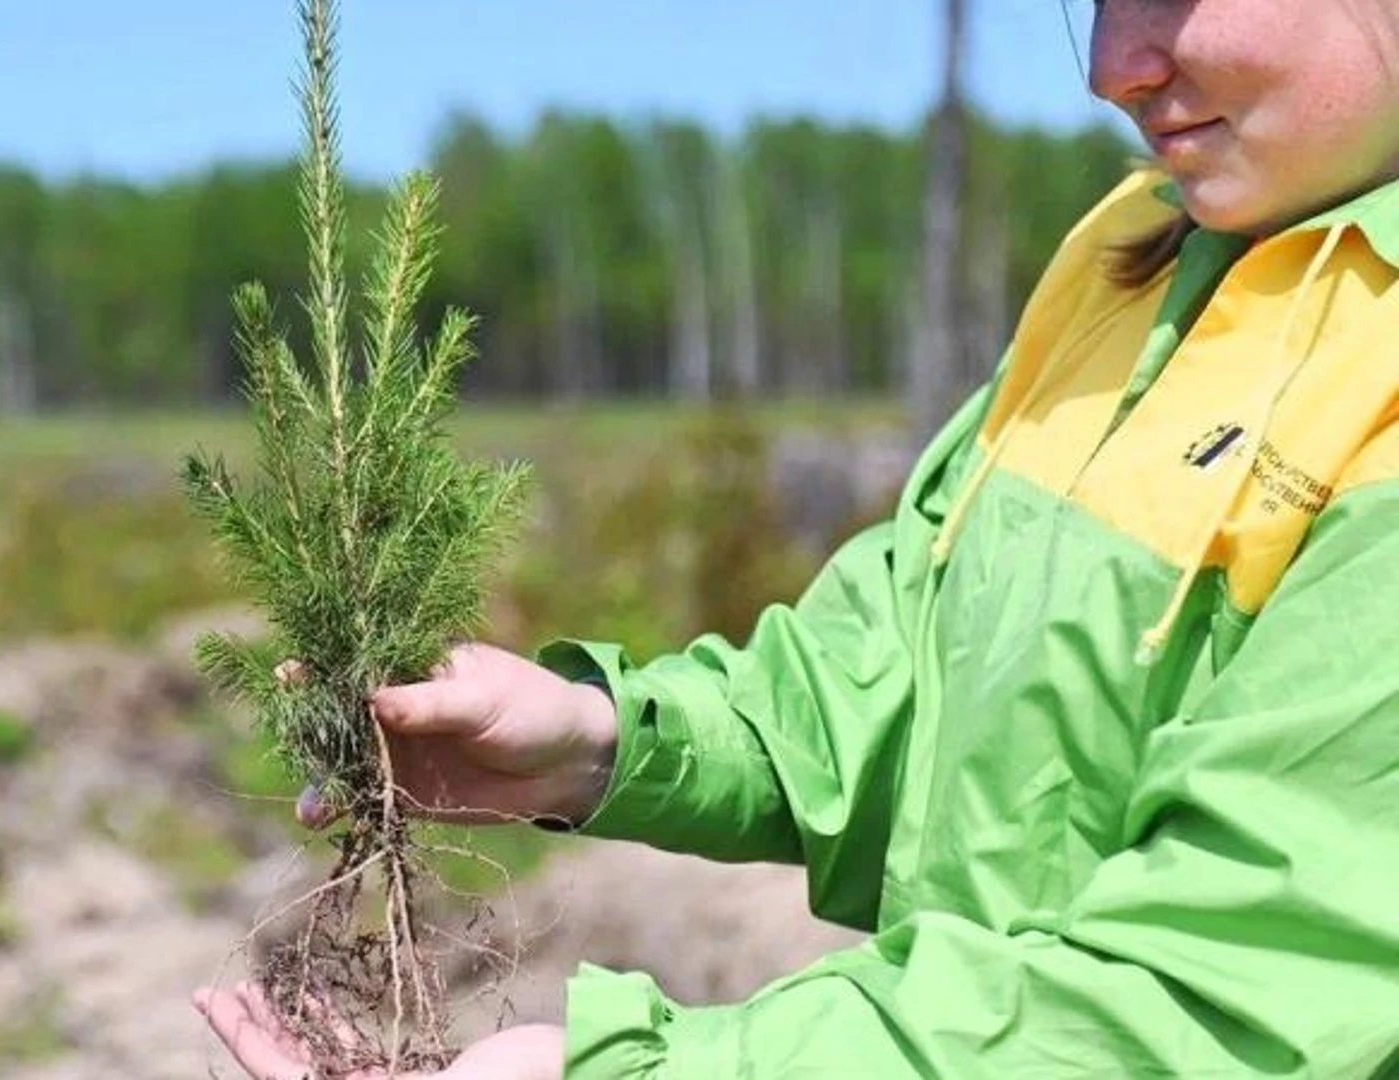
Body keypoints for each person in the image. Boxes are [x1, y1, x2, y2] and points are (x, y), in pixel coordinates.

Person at [196, 0, 1399, 1074]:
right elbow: (906, 678)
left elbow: (1220, 997)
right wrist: (599, 745)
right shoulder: (1132, 256)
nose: (1113, 66)